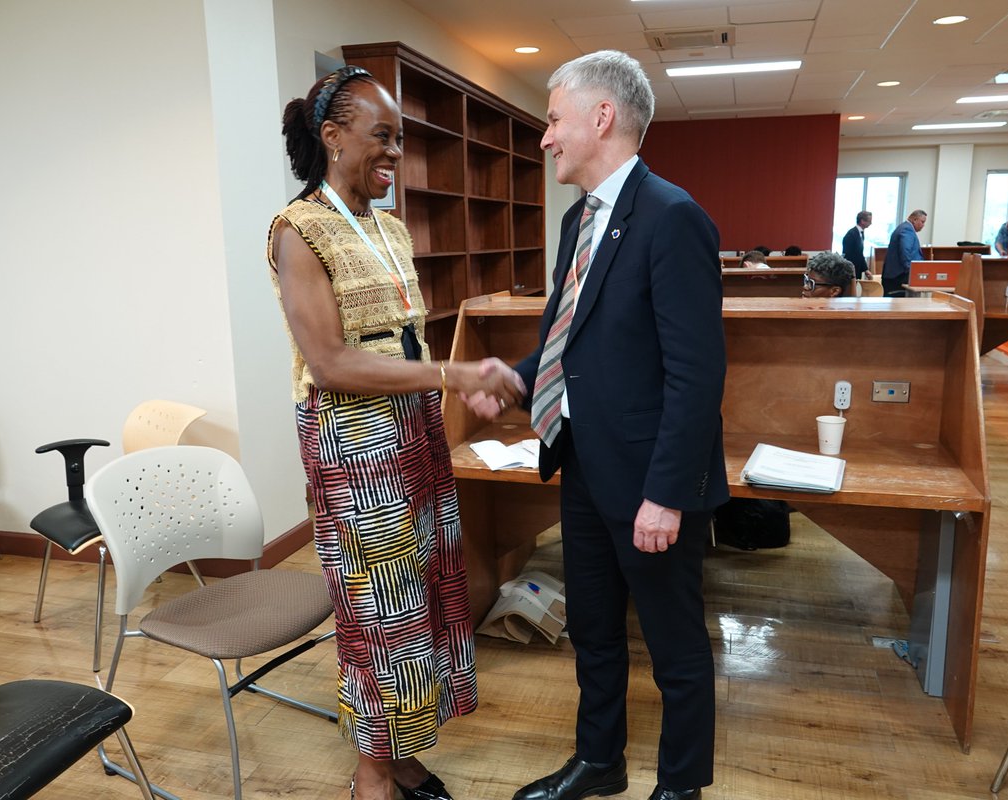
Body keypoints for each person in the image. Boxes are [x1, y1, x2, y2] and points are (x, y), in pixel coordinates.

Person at [268, 66, 526, 800]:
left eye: (400, 140)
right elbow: (330, 360)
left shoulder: (389, 227)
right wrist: (455, 377)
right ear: (332, 136)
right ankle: (372, 773)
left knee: (429, 596)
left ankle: (405, 750)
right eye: (383, 137)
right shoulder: (298, 230)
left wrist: (454, 384)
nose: (395, 154)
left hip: (412, 430)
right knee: (380, 608)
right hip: (354, 442)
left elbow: (403, 344)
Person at [506, 50, 727, 800]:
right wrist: (509, 378)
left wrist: (666, 495)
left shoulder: (672, 217)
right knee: (594, 632)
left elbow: (697, 376)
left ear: (602, 117)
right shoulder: (580, 219)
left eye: (553, 118)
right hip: (584, 467)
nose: (545, 137)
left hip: (648, 483)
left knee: (674, 648)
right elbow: (572, 336)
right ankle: (599, 762)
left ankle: (681, 787)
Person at [882, 209, 927, 297]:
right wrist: (911, 272)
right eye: (922, 222)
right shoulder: (907, 230)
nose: (923, 225)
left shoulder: (903, 227)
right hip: (899, 277)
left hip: (896, 276)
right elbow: (905, 252)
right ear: (914, 220)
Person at [841, 210, 872, 278]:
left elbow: (860, 253)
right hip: (850, 271)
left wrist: (865, 269)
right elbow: (848, 255)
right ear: (862, 221)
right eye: (869, 221)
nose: (871, 223)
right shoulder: (851, 234)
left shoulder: (860, 233)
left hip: (857, 269)